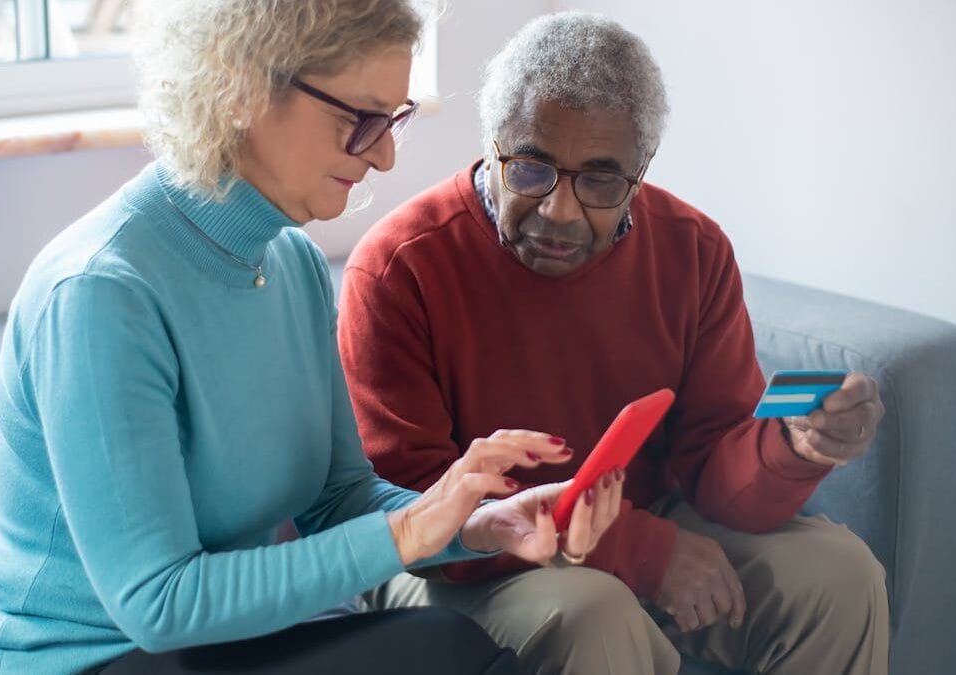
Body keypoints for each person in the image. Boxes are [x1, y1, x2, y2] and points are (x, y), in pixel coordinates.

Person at [0, 2, 625, 673]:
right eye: (361, 120)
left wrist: (480, 520)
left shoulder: (293, 264)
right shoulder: (102, 292)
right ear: (241, 87)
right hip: (80, 659)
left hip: (216, 646)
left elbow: (339, 500)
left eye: (393, 121)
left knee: (454, 650)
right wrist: (410, 531)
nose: (385, 156)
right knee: (450, 652)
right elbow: (157, 603)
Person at [339, 11, 890, 675]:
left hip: (639, 516)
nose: (559, 210)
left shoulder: (693, 249)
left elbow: (715, 469)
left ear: (641, 168)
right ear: (490, 143)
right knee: (594, 611)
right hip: (452, 561)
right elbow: (414, 505)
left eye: (600, 180)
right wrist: (637, 551)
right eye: (531, 168)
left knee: (840, 573)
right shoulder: (400, 266)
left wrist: (792, 448)